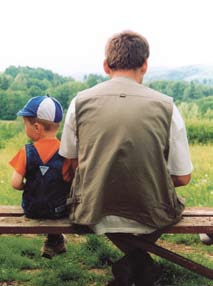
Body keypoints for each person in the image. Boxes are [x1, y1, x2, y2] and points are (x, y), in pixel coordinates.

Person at [59, 30, 193, 285]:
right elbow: (183, 177)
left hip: (93, 209)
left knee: (105, 207)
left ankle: (132, 266)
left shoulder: (79, 103)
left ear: (105, 65)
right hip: (151, 211)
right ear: (145, 65)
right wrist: (144, 179)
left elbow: (71, 164)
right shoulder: (167, 106)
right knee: (166, 206)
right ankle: (137, 264)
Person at [9, 95, 74, 259]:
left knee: (42, 205)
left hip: (31, 209)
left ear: (36, 127)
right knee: (57, 203)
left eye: (25, 124)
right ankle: (54, 240)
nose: (25, 127)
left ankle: (54, 241)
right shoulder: (66, 153)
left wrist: (28, 186)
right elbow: (72, 181)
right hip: (59, 211)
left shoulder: (26, 152)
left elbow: (15, 183)